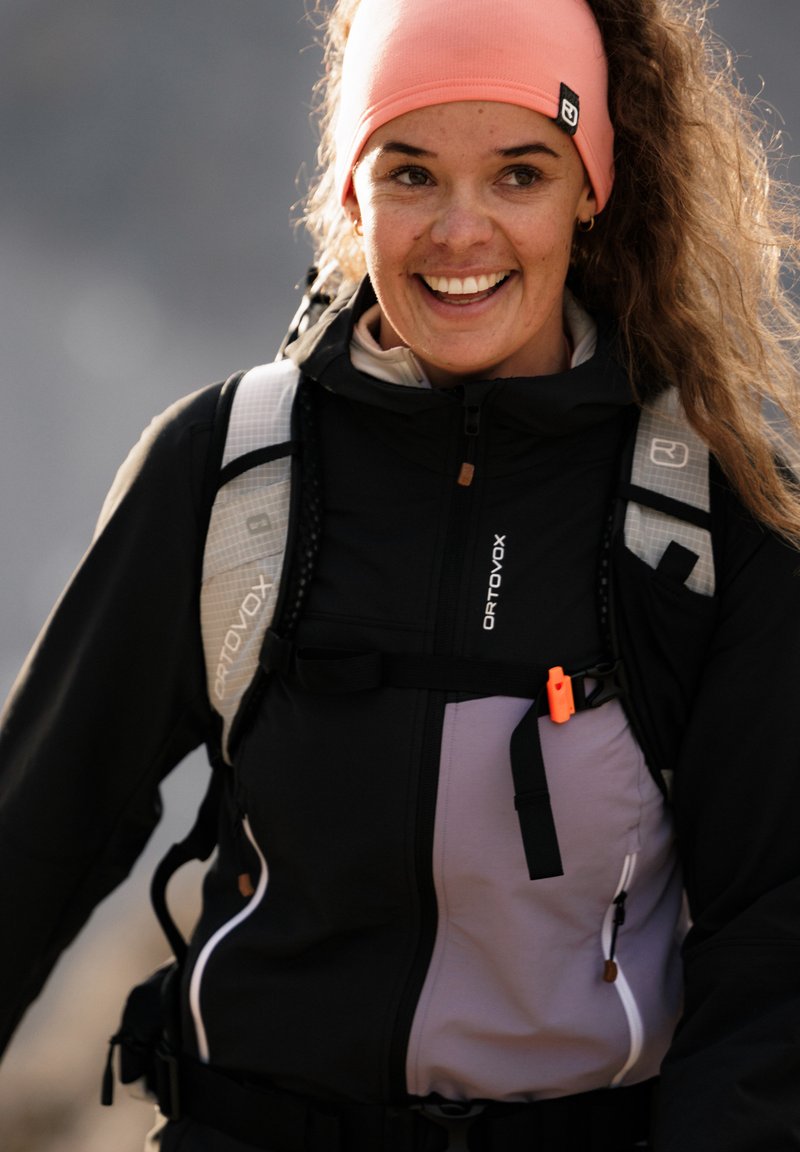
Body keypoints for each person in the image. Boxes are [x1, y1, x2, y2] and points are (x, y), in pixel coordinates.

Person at [2, 0, 800, 1149]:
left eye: (518, 173)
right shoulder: (228, 470)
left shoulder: (711, 509)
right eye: (411, 172)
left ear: (590, 187)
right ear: (349, 189)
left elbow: (775, 941)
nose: (459, 231)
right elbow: (32, 841)